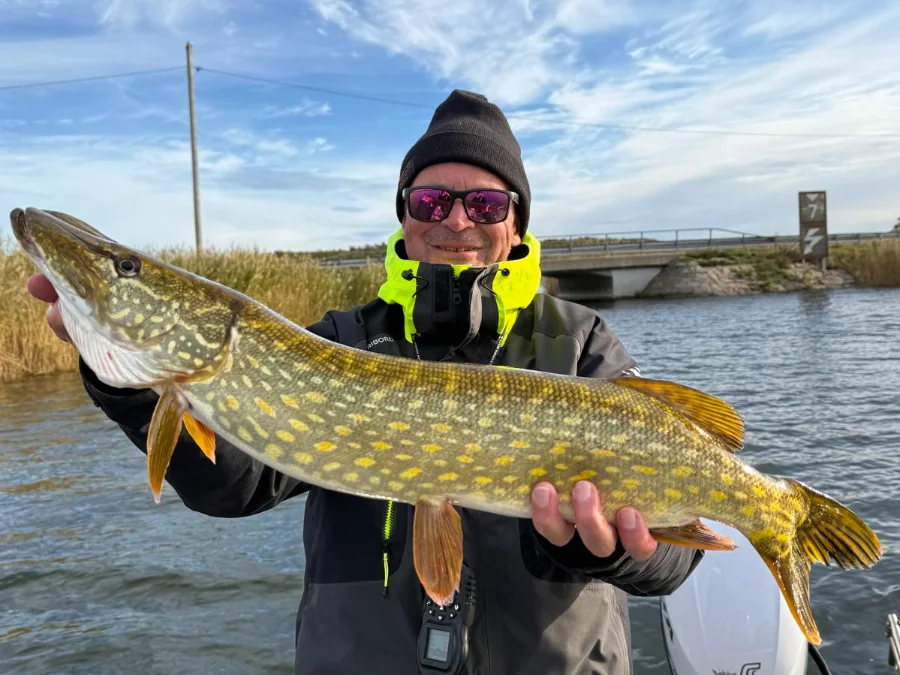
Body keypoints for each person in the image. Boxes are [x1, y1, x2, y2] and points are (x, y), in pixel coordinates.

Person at [26, 89, 704, 675]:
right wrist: (132, 388)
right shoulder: (335, 343)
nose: (456, 221)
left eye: (485, 202)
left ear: (515, 220)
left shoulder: (581, 345)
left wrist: (616, 554)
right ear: (405, 214)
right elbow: (235, 486)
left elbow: (675, 559)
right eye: (431, 200)